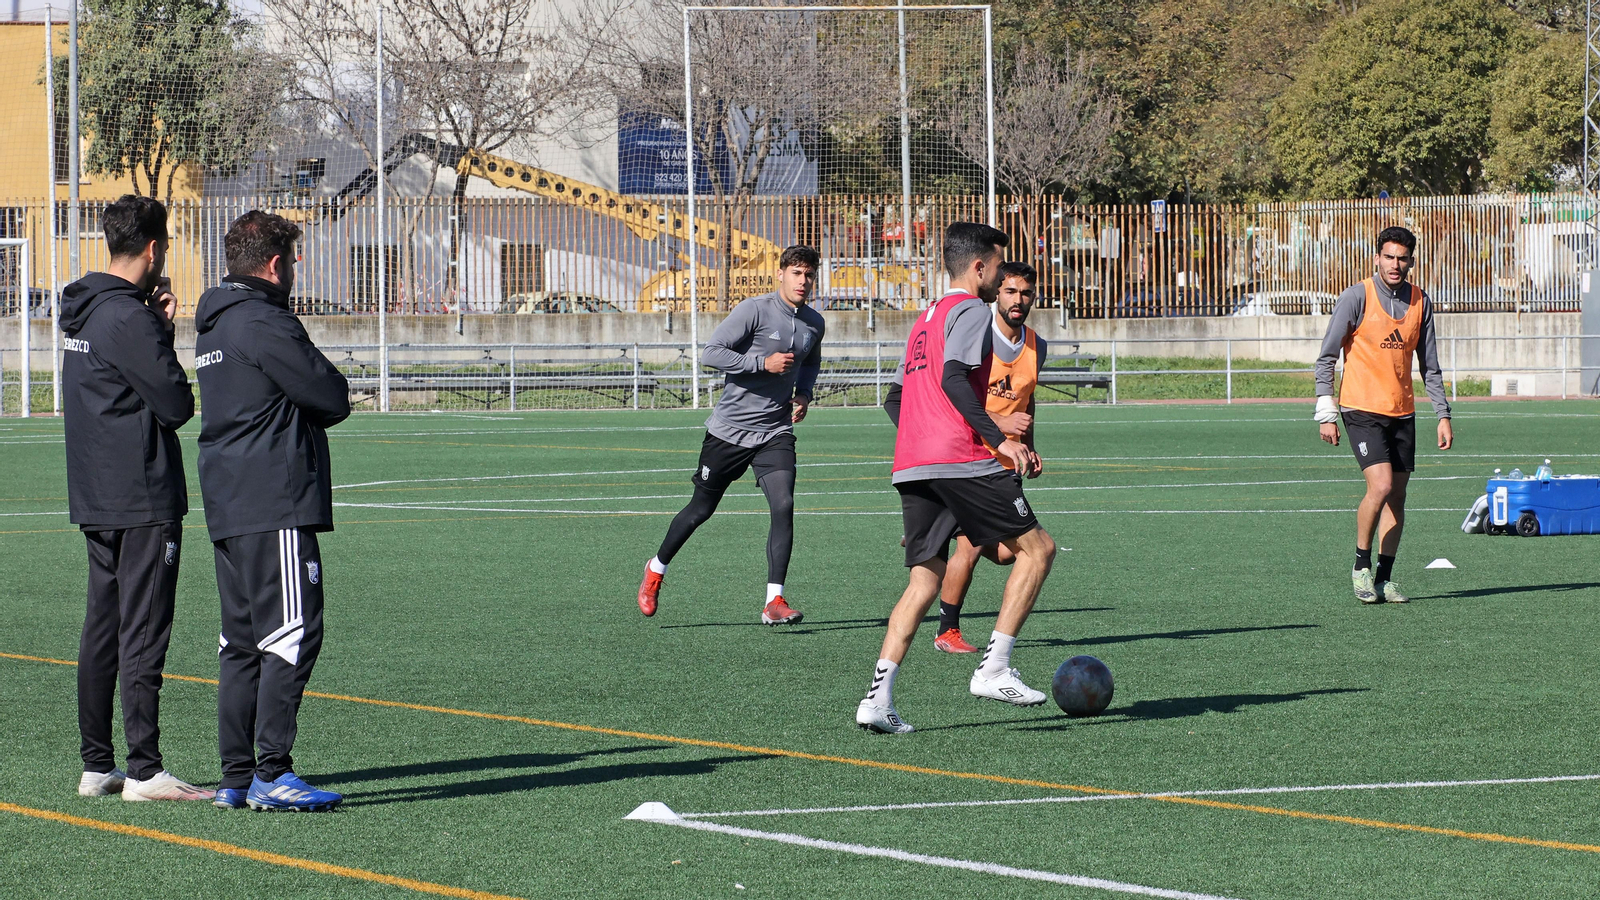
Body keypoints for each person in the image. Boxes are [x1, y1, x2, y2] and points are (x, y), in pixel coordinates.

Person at [856, 223, 1058, 735]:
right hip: (960, 458)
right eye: (997, 266)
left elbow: (898, 398)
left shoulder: (924, 319)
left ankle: (876, 701)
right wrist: (1000, 438)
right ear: (979, 267)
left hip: (914, 464)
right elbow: (953, 377)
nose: (998, 278)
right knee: (1038, 550)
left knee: (923, 581)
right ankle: (993, 669)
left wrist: (921, 438)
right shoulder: (968, 309)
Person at [194, 211, 351, 811]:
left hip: (230, 501)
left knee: (240, 642)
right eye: (292, 259)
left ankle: (236, 777)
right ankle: (271, 773)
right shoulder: (264, 321)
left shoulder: (214, 323)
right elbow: (331, 396)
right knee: (292, 631)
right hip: (274, 497)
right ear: (275, 263)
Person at [59, 195, 213, 802]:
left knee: (102, 627)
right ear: (153, 249)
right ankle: (144, 769)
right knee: (143, 629)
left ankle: (97, 765)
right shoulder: (128, 318)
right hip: (142, 496)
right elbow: (177, 404)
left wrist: (154, 325)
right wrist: (163, 331)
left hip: (96, 493)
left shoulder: (87, 311)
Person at [636, 246, 826, 625]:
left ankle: (774, 601)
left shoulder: (814, 323)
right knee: (700, 511)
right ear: (781, 274)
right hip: (729, 432)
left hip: (775, 431)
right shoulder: (753, 310)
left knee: (784, 504)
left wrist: (803, 394)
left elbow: (812, 362)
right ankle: (656, 568)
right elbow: (711, 352)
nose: (803, 281)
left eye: (809, 275)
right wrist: (762, 363)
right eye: (796, 273)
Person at [1314, 225, 1453, 605]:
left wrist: (1442, 414)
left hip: (1402, 411)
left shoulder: (1421, 302)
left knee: (1398, 496)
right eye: (1389, 257)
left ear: (1411, 261)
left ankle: (1384, 578)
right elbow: (1327, 356)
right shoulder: (1356, 297)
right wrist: (1326, 411)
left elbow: (1431, 367)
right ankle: (1360, 567)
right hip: (1360, 408)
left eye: (1402, 258)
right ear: (1377, 257)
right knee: (1381, 486)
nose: (1395, 264)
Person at [932, 261, 1047, 654]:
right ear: (997, 292)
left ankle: (939, 530)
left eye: (1025, 293)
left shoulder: (1037, 345)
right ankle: (948, 630)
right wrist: (1000, 422)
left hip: (1008, 460)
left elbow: (1028, 403)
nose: (1018, 300)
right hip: (972, 457)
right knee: (975, 546)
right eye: (1010, 291)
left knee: (1002, 552)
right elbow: (958, 398)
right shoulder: (978, 334)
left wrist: (1029, 445)